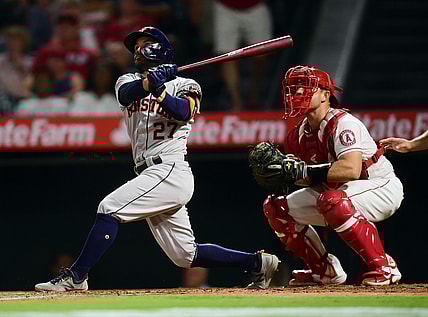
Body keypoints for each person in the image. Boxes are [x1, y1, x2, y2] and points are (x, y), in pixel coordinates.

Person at [35, 26, 279, 292]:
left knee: (109, 208)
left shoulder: (187, 85)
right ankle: (257, 263)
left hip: (169, 169)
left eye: (145, 44)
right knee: (185, 256)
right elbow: (127, 95)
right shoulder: (126, 80)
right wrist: (150, 83)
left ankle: (77, 277)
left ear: (163, 49)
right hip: (150, 173)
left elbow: (183, 112)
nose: (139, 49)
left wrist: (161, 88)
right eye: (136, 46)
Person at [251, 65, 404, 286]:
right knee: (277, 208)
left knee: (333, 201)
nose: (298, 94)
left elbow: (351, 170)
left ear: (325, 95)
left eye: (305, 88)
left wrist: (304, 171)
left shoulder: (343, 124)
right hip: (338, 192)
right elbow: (309, 177)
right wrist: (287, 173)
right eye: (294, 89)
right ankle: (325, 271)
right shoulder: (297, 135)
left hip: (380, 186)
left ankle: (383, 266)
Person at [213, 0, 273, 111]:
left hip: (255, 5)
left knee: (261, 56)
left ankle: (254, 96)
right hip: (225, 6)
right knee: (227, 57)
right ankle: (236, 103)